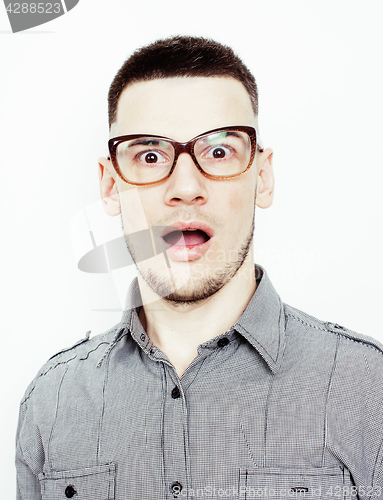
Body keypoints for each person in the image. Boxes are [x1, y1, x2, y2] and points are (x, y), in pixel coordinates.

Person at [16, 36, 383, 500]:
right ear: (110, 186)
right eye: (149, 156)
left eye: (218, 151)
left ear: (262, 177)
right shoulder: (51, 402)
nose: (185, 187)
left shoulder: (369, 388)